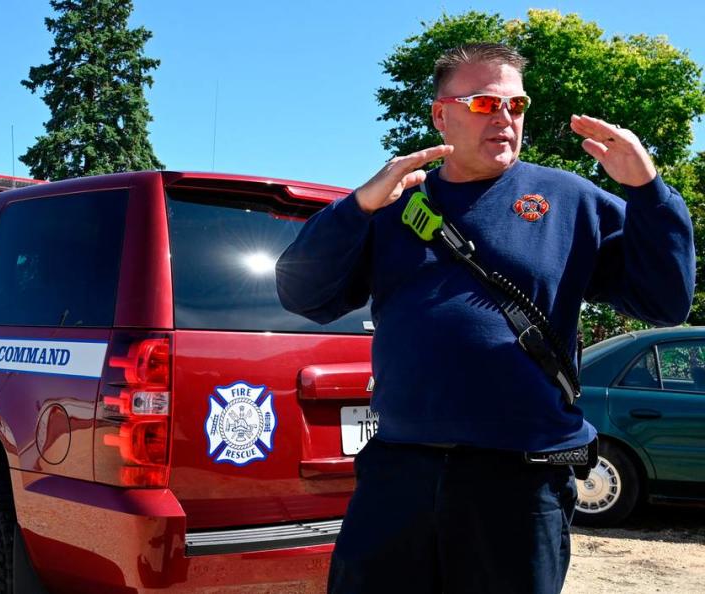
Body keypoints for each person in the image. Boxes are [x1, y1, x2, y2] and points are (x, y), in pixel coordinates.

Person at [275, 43, 695, 594]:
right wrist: (356, 208)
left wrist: (648, 190)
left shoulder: (569, 200)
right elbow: (303, 293)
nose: (504, 119)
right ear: (440, 113)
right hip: (400, 474)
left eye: (515, 107)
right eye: (483, 104)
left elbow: (664, 301)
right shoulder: (396, 206)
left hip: (520, 480)